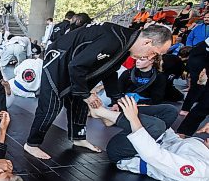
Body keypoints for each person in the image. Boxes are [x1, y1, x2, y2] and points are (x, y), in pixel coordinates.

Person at [24, 23, 172, 160]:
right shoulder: (114, 40)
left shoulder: (127, 43)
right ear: (147, 42)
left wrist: (116, 98)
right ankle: (32, 144)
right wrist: (86, 94)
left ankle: (78, 138)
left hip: (76, 64)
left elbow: (110, 70)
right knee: (51, 105)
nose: (152, 57)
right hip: (59, 59)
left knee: (78, 103)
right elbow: (76, 66)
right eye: (154, 53)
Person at [90, 96, 208, 181]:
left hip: (126, 155)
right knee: (169, 111)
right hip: (153, 143)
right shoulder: (204, 149)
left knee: (156, 126)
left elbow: (153, 155)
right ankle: (114, 115)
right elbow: (172, 141)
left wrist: (134, 118)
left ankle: (102, 112)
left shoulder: (198, 173)